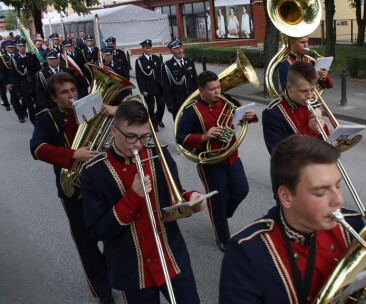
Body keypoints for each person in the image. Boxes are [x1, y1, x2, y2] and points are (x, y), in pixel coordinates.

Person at [219, 134, 366, 303]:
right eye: (321, 192)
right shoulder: (247, 251)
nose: (339, 200)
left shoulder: (352, 225)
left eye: (337, 185)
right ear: (286, 197)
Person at [81, 99, 205, 303]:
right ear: (114, 132)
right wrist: (133, 197)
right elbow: (96, 231)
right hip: (131, 269)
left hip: (170, 256)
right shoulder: (94, 171)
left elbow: (175, 193)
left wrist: (190, 199)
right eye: (131, 137)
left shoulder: (159, 154)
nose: (138, 144)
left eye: (144, 136)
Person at [30, 73, 113, 304]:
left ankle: (112, 271)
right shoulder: (47, 119)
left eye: (73, 90)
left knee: (113, 230)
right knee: (86, 242)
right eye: (64, 93)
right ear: (54, 98)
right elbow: (37, 149)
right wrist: (74, 154)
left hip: (102, 182)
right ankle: (103, 290)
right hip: (73, 188)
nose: (72, 96)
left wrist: (114, 110)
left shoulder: (92, 107)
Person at [176, 70, 257, 252]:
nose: (217, 92)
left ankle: (220, 213)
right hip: (211, 163)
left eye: (219, 87)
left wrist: (251, 117)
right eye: (212, 89)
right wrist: (204, 136)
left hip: (231, 156)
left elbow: (242, 117)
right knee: (218, 200)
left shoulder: (227, 102)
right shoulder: (192, 111)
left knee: (241, 190)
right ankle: (222, 237)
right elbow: (180, 137)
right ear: (201, 90)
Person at [263, 61, 329, 154]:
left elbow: (325, 139)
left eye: (312, 89)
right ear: (289, 87)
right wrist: (309, 129)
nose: (310, 96)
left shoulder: (312, 103)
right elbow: (278, 155)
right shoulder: (272, 113)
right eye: (304, 91)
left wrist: (321, 124)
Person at [161, 38, 198, 119]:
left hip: (191, 100)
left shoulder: (189, 61)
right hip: (177, 103)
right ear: (171, 51)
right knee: (180, 126)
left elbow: (195, 81)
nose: (180, 50)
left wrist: (198, 97)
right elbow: (166, 87)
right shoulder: (167, 65)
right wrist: (170, 105)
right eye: (176, 49)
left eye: (181, 48)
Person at [8, 38, 40, 124]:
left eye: (23, 46)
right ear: (17, 47)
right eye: (20, 46)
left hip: (33, 83)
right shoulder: (14, 59)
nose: (22, 47)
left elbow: (38, 70)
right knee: (30, 106)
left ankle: (39, 117)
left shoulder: (32, 56)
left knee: (38, 103)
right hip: (23, 85)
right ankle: (33, 121)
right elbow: (14, 76)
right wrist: (17, 91)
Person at [135, 39, 164, 130]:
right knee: (151, 108)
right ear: (143, 49)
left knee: (162, 105)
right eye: (147, 48)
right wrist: (143, 90)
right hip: (148, 88)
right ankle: (153, 124)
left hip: (159, 86)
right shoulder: (140, 61)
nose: (149, 50)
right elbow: (139, 77)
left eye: (150, 48)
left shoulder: (156, 58)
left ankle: (158, 119)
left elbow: (161, 73)